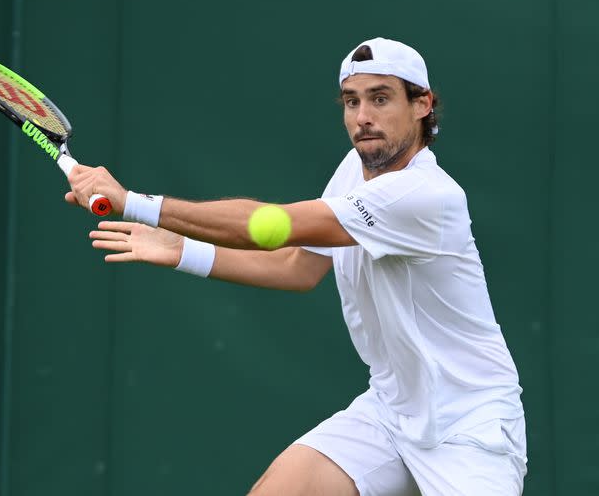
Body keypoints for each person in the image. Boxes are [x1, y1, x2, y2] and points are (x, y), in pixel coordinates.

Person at [65, 37, 527, 496]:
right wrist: (182, 250)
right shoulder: (355, 167)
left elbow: (273, 226)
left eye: (380, 98)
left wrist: (136, 203)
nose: (363, 117)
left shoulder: (424, 194)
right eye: (352, 101)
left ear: (422, 104)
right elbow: (297, 267)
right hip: (390, 411)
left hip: (469, 427)